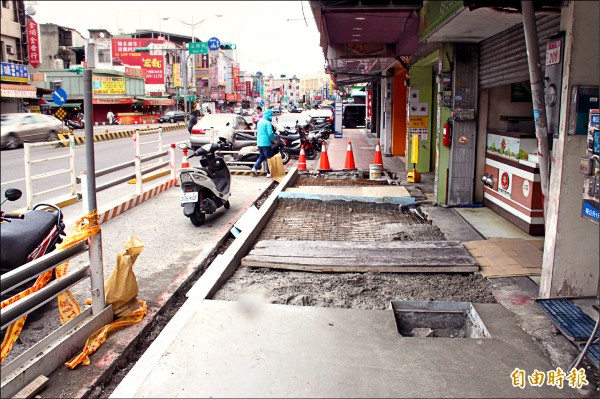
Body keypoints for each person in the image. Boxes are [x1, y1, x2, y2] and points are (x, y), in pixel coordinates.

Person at [251, 108, 275, 178]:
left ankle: (254, 168)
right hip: (266, 143)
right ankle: (268, 172)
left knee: (262, 156)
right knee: (268, 157)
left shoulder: (260, 122)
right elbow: (270, 133)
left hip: (259, 143)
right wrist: (274, 137)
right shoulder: (268, 123)